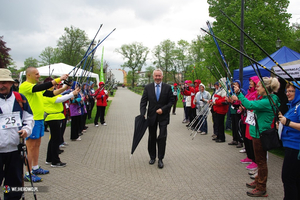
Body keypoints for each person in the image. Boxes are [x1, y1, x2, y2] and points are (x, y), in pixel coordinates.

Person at [19, 66, 68, 182]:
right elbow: (42, 86)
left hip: (40, 119)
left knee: (37, 144)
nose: (39, 76)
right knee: (30, 147)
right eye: (36, 74)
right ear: (29, 75)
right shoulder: (26, 86)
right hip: (32, 120)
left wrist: (66, 87)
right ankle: (28, 172)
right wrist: (58, 79)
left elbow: (51, 94)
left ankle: (35, 167)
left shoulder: (37, 89)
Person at [233, 77, 280, 197]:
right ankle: (258, 180)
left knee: (261, 161)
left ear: (265, 89)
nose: (256, 88)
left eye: (258, 86)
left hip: (261, 134)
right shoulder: (266, 98)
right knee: (259, 160)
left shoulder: (267, 101)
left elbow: (249, 104)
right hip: (257, 133)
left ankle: (261, 187)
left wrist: (238, 93)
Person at [0, 68, 34, 199]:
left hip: (15, 150)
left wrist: (26, 130)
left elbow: (29, 119)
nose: (2, 85)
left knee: (13, 185)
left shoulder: (20, 98)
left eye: (4, 82)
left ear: (11, 83)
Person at [140, 69, 175, 169]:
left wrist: (163, 109)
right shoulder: (148, 87)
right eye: (156, 76)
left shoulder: (168, 87)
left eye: (159, 76)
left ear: (162, 77)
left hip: (163, 116)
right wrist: (143, 114)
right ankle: (152, 157)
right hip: (151, 116)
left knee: (162, 137)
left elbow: (171, 101)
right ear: (153, 76)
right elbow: (143, 102)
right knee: (152, 137)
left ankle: (160, 159)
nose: (158, 78)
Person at [43, 77, 80, 167]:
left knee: (53, 140)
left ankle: (49, 158)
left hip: (55, 117)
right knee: (56, 140)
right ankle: (55, 161)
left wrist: (67, 90)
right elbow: (59, 99)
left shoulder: (52, 93)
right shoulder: (46, 94)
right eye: (53, 85)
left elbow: (61, 95)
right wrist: (72, 94)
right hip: (53, 117)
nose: (55, 86)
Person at [278, 81, 300, 199]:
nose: (288, 93)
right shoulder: (292, 105)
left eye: (291, 91)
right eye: (287, 91)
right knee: (294, 179)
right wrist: (282, 125)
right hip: (290, 146)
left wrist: (288, 122)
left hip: (295, 147)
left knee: (288, 178)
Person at [227, 80, 246, 148]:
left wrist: (237, 99)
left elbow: (243, 99)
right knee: (234, 126)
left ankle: (240, 141)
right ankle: (234, 139)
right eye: (234, 84)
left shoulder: (242, 91)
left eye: (237, 84)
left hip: (238, 111)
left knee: (238, 127)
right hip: (232, 111)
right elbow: (231, 100)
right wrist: (230, 100)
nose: (235, 85)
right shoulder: (232, 92)